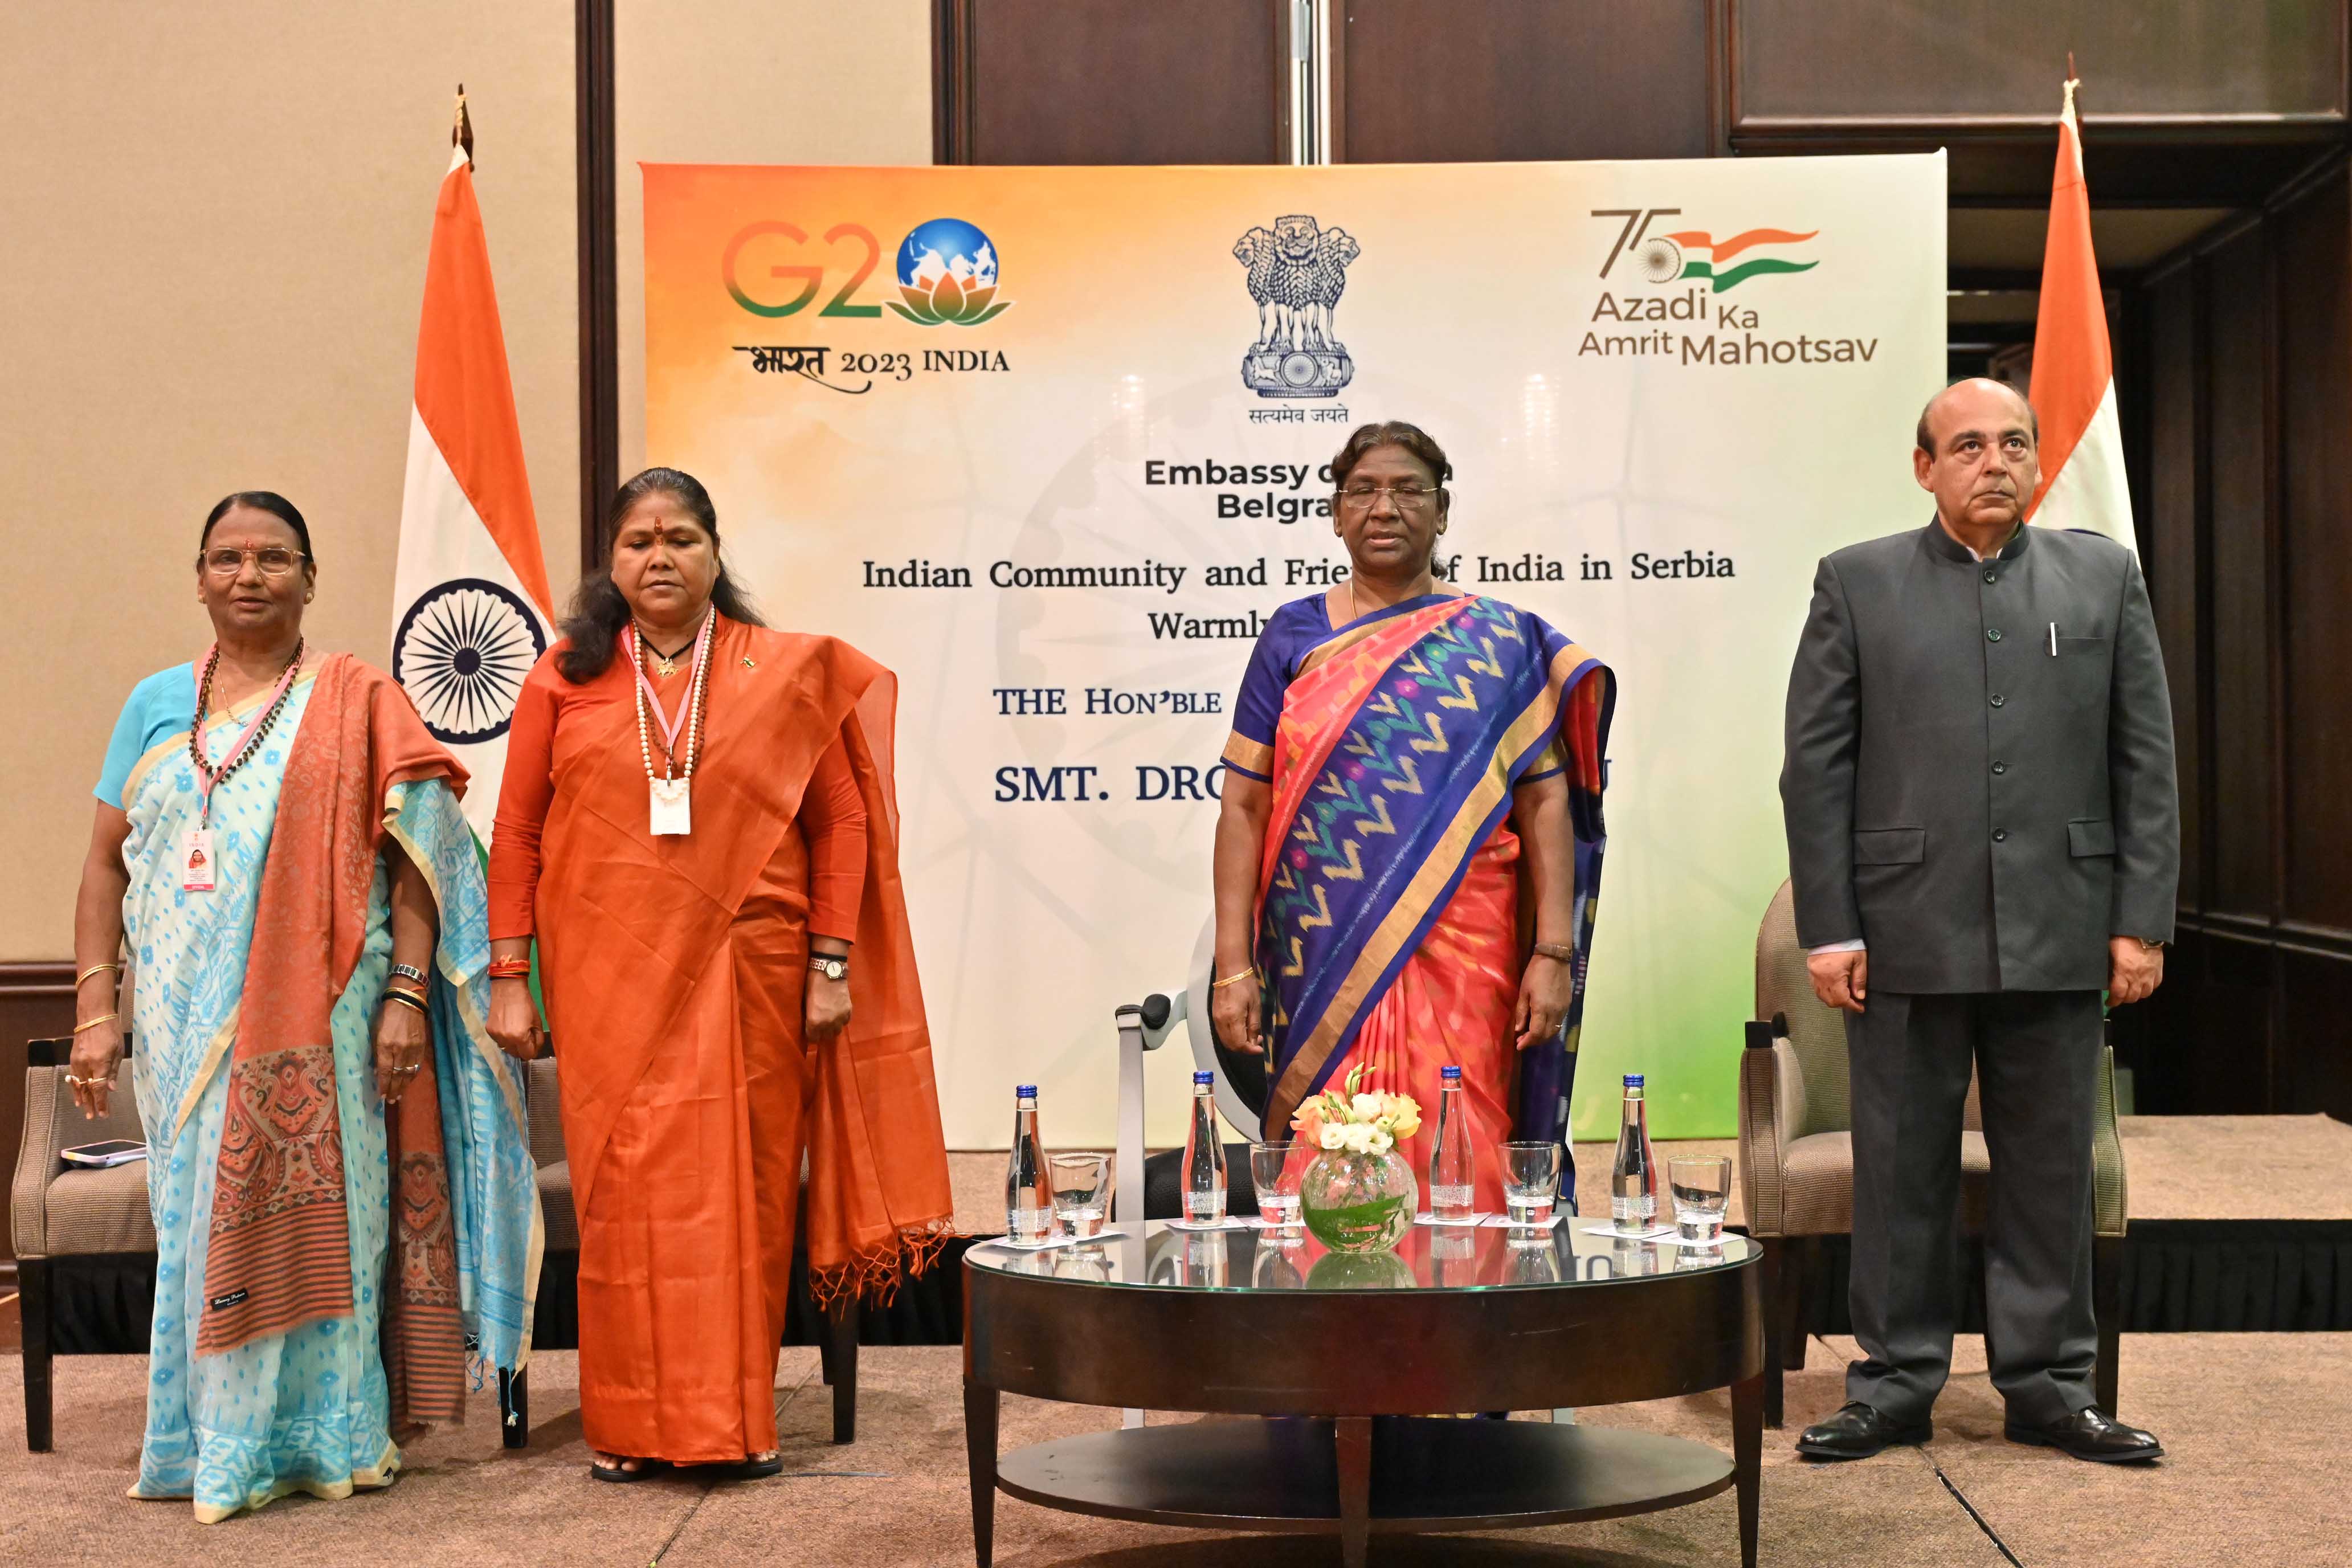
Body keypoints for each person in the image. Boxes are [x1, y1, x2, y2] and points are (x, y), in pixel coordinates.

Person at [69, 492, 540, 1522]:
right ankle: (211, 1446)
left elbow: (421, 861)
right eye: (227, 558)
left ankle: (331, 1437)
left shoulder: (357, 697)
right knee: (193, 1229)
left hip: (332, 1014)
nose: (249, 576)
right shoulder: (154, 703)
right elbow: (105, 869)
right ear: (198, 576)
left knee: (345, 1214)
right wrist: (98, 1012)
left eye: (274, 558)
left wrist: (408, 999)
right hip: (185, 1026)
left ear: (311, 578)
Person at [487, 467, 953, 1482]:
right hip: (607, 982)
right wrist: (508, 974)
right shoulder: (560, 678)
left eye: (681, 538)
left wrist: (832, 961)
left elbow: (842, 824)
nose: (659, 557)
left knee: (737, 1197)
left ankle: (733, 1423)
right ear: (610, 562)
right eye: (638, 540)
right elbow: (517, 828)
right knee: (623, 1201)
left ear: (714, 553)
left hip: (758, 974)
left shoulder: (781, 672)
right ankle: (628, 1427)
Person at [1781, 378, 2177, 1464]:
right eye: (1966, 445)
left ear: (2039, 459)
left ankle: (2050, 1388)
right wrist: (1831, 927)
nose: (1993, 460)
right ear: (1925, 467)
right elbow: (1816, 772)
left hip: (2063, 921)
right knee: (1900, 1167)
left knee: (2050, 1169)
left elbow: (2145, 759)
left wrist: (2140, 919)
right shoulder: (1857, 583)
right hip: (1905, 927)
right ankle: (1895, 1384)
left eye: (2013, 443)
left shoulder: (2103, 575)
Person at [1208, 422, 1613, 1210]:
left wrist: (1553, 953)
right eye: (1362, 490)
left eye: (1407, 490)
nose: (1384, 507)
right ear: (1334, 514)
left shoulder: (1500, 642)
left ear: (1443, 511)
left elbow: (1546, 797)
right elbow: (1245, 803)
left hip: (1470, 948)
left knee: (1465, 1136)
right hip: (1319, 948)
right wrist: (1233, 966)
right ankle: (1330, 1312)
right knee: (1328, 1145)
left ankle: (1472, 1312)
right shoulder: (1292, 636)